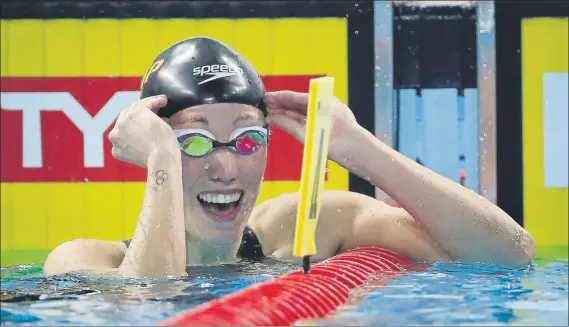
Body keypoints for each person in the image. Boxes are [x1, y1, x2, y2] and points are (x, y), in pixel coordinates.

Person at [43, 37, 535, 278]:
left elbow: (510, 255)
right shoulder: (82, 261)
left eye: (248, 140)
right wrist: (162, 159)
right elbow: (151, 308)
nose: (226, 167)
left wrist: (359, 148)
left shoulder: (302, 227)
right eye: (191, 142)